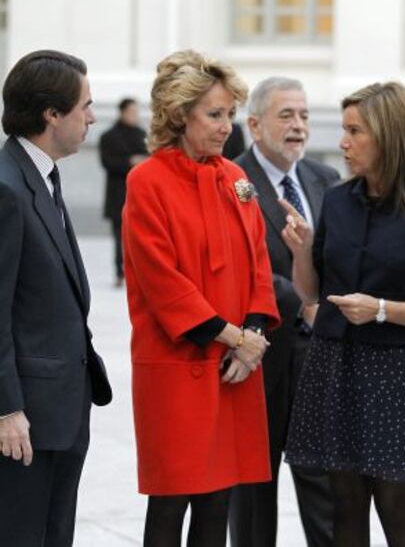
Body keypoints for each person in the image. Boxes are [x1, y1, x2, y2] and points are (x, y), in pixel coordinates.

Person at [122, 49, 280, 547]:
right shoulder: (146, 181)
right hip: (178, 362)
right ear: (178, 115)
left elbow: (259, 264)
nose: (226, 127)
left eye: (230, 114)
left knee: (218, 505)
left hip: (234, 368)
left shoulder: (236, 179)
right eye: (215, 114)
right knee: (169, 505)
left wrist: (252, 335)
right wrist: (233, 337)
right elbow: (162, 280)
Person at [281, 81, 405, 546]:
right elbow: (313, 291)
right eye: (343, 129)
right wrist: (301, 252)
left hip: (400, 374)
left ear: (389, 135)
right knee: (344, 508)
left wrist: (380, 310)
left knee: (401, 512)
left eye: (355, 131)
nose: (342, 142)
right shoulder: (338, 199)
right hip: (336, 366)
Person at [0, 49, 112, 547]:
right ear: (51, 113)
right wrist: (6, 410)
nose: (91, 117)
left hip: (63, 409)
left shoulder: (43, 176)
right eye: (85, 105)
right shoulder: (6, 189)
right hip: (25, 420)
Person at [229, 77, 339, 547]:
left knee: (326, 488)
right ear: (254, 124)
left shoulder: (324, 178)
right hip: (263, 354)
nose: (298, 126)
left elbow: (337, 257)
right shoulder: (231, 181)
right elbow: (240, 266)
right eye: (286, 116)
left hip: (322, 358)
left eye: (305, 115)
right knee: (255, 491)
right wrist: (306, 301)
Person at [99, 97, 147, 286]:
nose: (135, 116)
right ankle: (120, 272)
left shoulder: (142, 134)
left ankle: (138, 272)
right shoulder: (108, 136)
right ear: (123, 112)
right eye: (132, 112)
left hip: (140, 194)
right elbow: (107, 162)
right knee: (119, 236)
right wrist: (129, 162)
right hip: (117, 193)